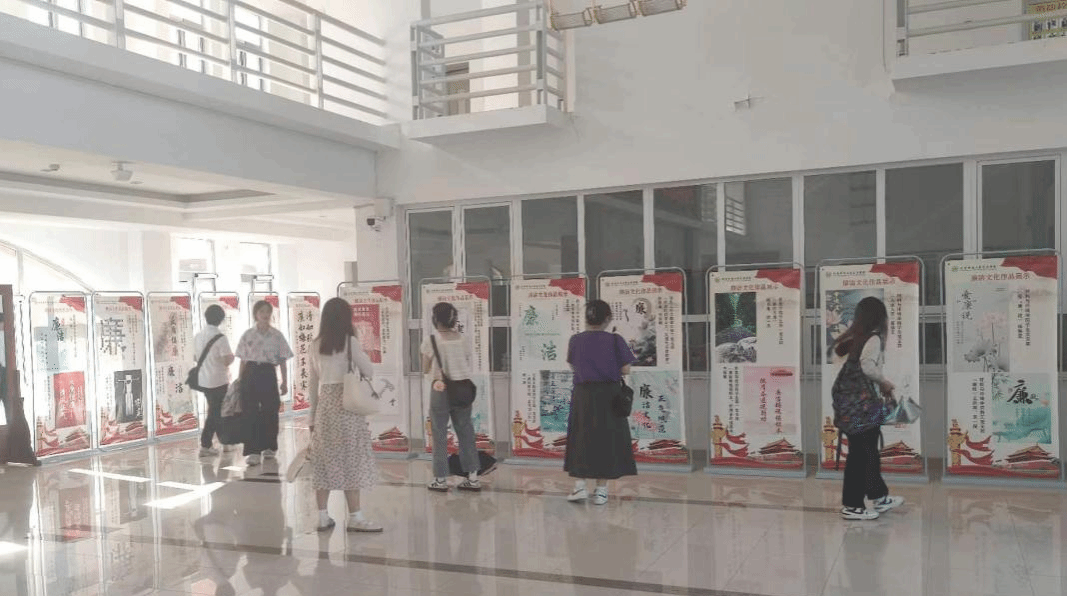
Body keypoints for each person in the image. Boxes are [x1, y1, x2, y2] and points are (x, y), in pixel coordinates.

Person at [307, 297, 383, 532]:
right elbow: (368, 371)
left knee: (324, 461)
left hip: (325, 408)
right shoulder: (350, 342)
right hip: (347, 406)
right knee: (352, 460)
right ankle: (355, 517)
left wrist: (311, 418)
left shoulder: (315, 345)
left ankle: (322, 516)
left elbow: (313, 384)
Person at [831, 296, 904, 521]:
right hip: (862, 409)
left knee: (867, 453)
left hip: (853, 408)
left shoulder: (856, 338)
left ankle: (879, 496)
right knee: (861, 456)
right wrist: (884, 382)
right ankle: (852, 505)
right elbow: (867, 367)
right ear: (879, 317)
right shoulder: (872, 338)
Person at [564, 300, 637, 506]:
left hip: (583, 395)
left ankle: (580, 486)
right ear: (607, 319)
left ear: (586, 318)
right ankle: (601, 491)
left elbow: (573, 366)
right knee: (606, 440)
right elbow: (626, 370)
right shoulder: (615, 340)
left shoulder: (575, 340)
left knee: (581, 438)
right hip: (609, 396)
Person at [420, 302, 481, 492]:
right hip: (463, 389)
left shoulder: (431, 340)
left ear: (435, 319)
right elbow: (465, 359)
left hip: (440, 389)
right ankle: (473, 478)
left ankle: (440, 479)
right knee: (466, 431)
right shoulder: (462, 339)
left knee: (439, 433)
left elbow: (425, 368)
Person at [235, 300, 293, 466]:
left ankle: (269, 446)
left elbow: (282, 360)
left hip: (268, 373)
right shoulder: (248, 335)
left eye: (268, 311)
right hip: (250, 372)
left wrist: (284, 382)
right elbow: (243, 360)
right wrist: (240, 380)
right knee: (250, 412)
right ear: (256, 314)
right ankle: (253, 451)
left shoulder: (277, 335)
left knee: (271, 410)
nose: (265, 315)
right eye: (262, 311)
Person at [193, 305, 235, 457]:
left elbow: (195, 357)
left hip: (204, 380)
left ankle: (225, 442)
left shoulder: (198, 336)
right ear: (221, 319)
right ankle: (206, 445)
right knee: (215, 412)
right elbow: (226, 360)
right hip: (218, 380)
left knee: (215, 410)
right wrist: (232, 357)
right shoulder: (220, 338)